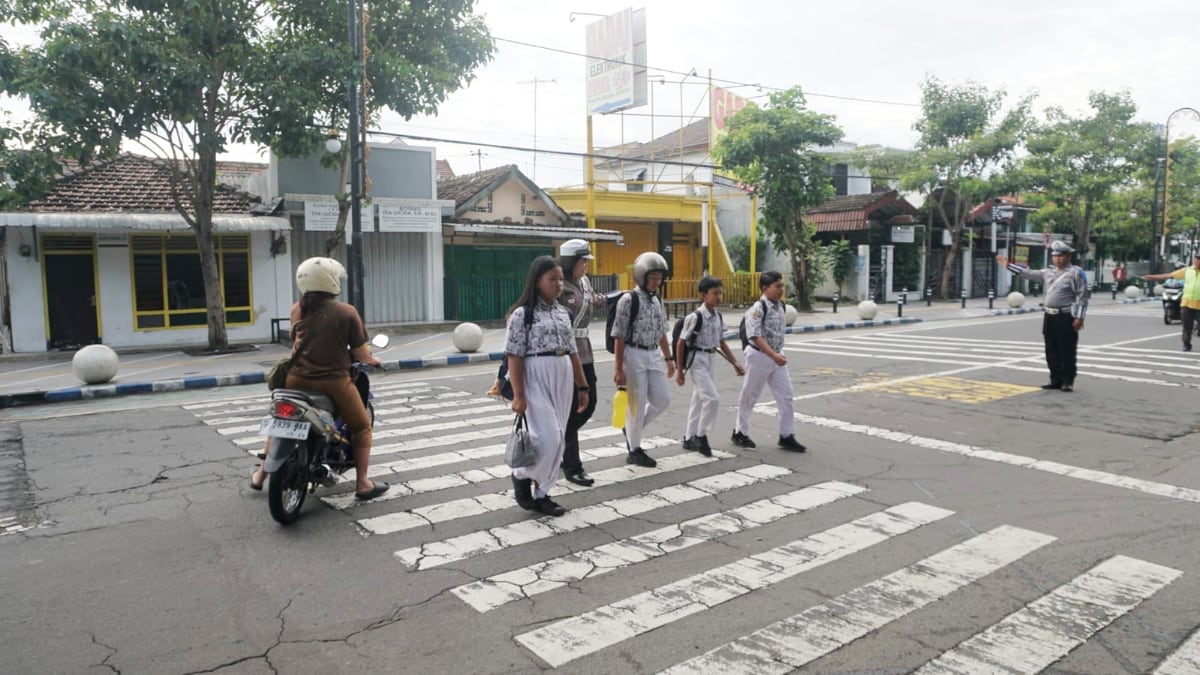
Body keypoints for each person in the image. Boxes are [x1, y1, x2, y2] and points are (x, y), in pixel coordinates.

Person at [250, 257, 388, 500]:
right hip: (333, 382)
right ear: (332, 281)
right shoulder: (346, 312)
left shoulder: (297, 309)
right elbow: (361, 354)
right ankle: (363, 483)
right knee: (361, 427)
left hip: (295, 379)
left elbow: (301, 342)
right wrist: (373, 360)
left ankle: (261, 474)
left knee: (280, 421)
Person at [505, 256, 590, 517]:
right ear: (537, 281)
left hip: (562, 374)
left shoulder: (563, 312)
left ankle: (543, 494)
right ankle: (521, 476)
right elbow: (514, 355)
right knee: (548, 437)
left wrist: (582, 386)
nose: (558, 284)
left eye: (560, 279)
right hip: (535, 374)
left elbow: (573, 351)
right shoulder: (522, 314)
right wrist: (519, 395)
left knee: (559, 440)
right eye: (551, 279)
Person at [611, 251, 676, 467]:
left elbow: (661, 331)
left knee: (662, 400)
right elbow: (619, 335)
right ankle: (635, 449)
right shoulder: (628, 300)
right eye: (653, 277)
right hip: (633, 353)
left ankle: (631, 430)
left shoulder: (658, 299)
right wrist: (618, 368)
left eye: (660, 278)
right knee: (636, 405)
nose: (657, 282)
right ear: (641, 276)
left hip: (653, 353)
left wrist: (668, 358)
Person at [998, 240, 1088, 391]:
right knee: (1051, 349)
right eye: (1055, 256)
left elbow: (1082, 296)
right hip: (1050, 316)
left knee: (1067, 349)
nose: (1058, 259)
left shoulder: (1076, 273)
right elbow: (1028, 273)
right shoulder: (1048, 272)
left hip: (1066, 316)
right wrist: (1008, 265)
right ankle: (1055, 379)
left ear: (1068, 256)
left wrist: (1079, 317)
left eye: (1061, 256)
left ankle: (1067, 381)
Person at [732, 271, 806, 452]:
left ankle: (786, 435)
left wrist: (777, 355)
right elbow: (755, 336)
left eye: (782, 285)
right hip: (759, 356)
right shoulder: (757, 309)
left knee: (786, 396)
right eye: (777, 286)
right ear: (765, 288)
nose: (782, 289)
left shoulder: (781, 306)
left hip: (777, 357)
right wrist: (773, 355)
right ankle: (740, 432)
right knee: (750, 396)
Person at [675, 276, 744, 457]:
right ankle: (701, 435)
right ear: (703, 295)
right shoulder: (695, 317)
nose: (719, 297)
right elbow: (681, 343)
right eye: (715, 293)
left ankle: (689, 437)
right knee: (712, 399)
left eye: (720, 293)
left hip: (710, 358)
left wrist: (735, 363)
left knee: (698, 399)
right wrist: (679, 370)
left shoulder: (718, 316)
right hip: (697, 359)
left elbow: (721, 342)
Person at [558, 239, 607, 486]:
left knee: (589, 404)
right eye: (582, 261)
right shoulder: (559, 285)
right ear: (571, 262)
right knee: (570, 410)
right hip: (565, 354)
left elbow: (594, 302)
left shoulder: (584, 283)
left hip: (585, 352)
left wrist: (613, 298)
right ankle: (572, 466)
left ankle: (559, 442)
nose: (586, 266)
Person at [1142, 252, 1200, 352]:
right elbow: (1168, 276)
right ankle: (1186, 344)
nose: (1198, 261)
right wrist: (1151, 277)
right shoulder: (1187, 271)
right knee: (1186, 326)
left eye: (1199, 260)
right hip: (1187, 304)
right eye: (1197, 259)